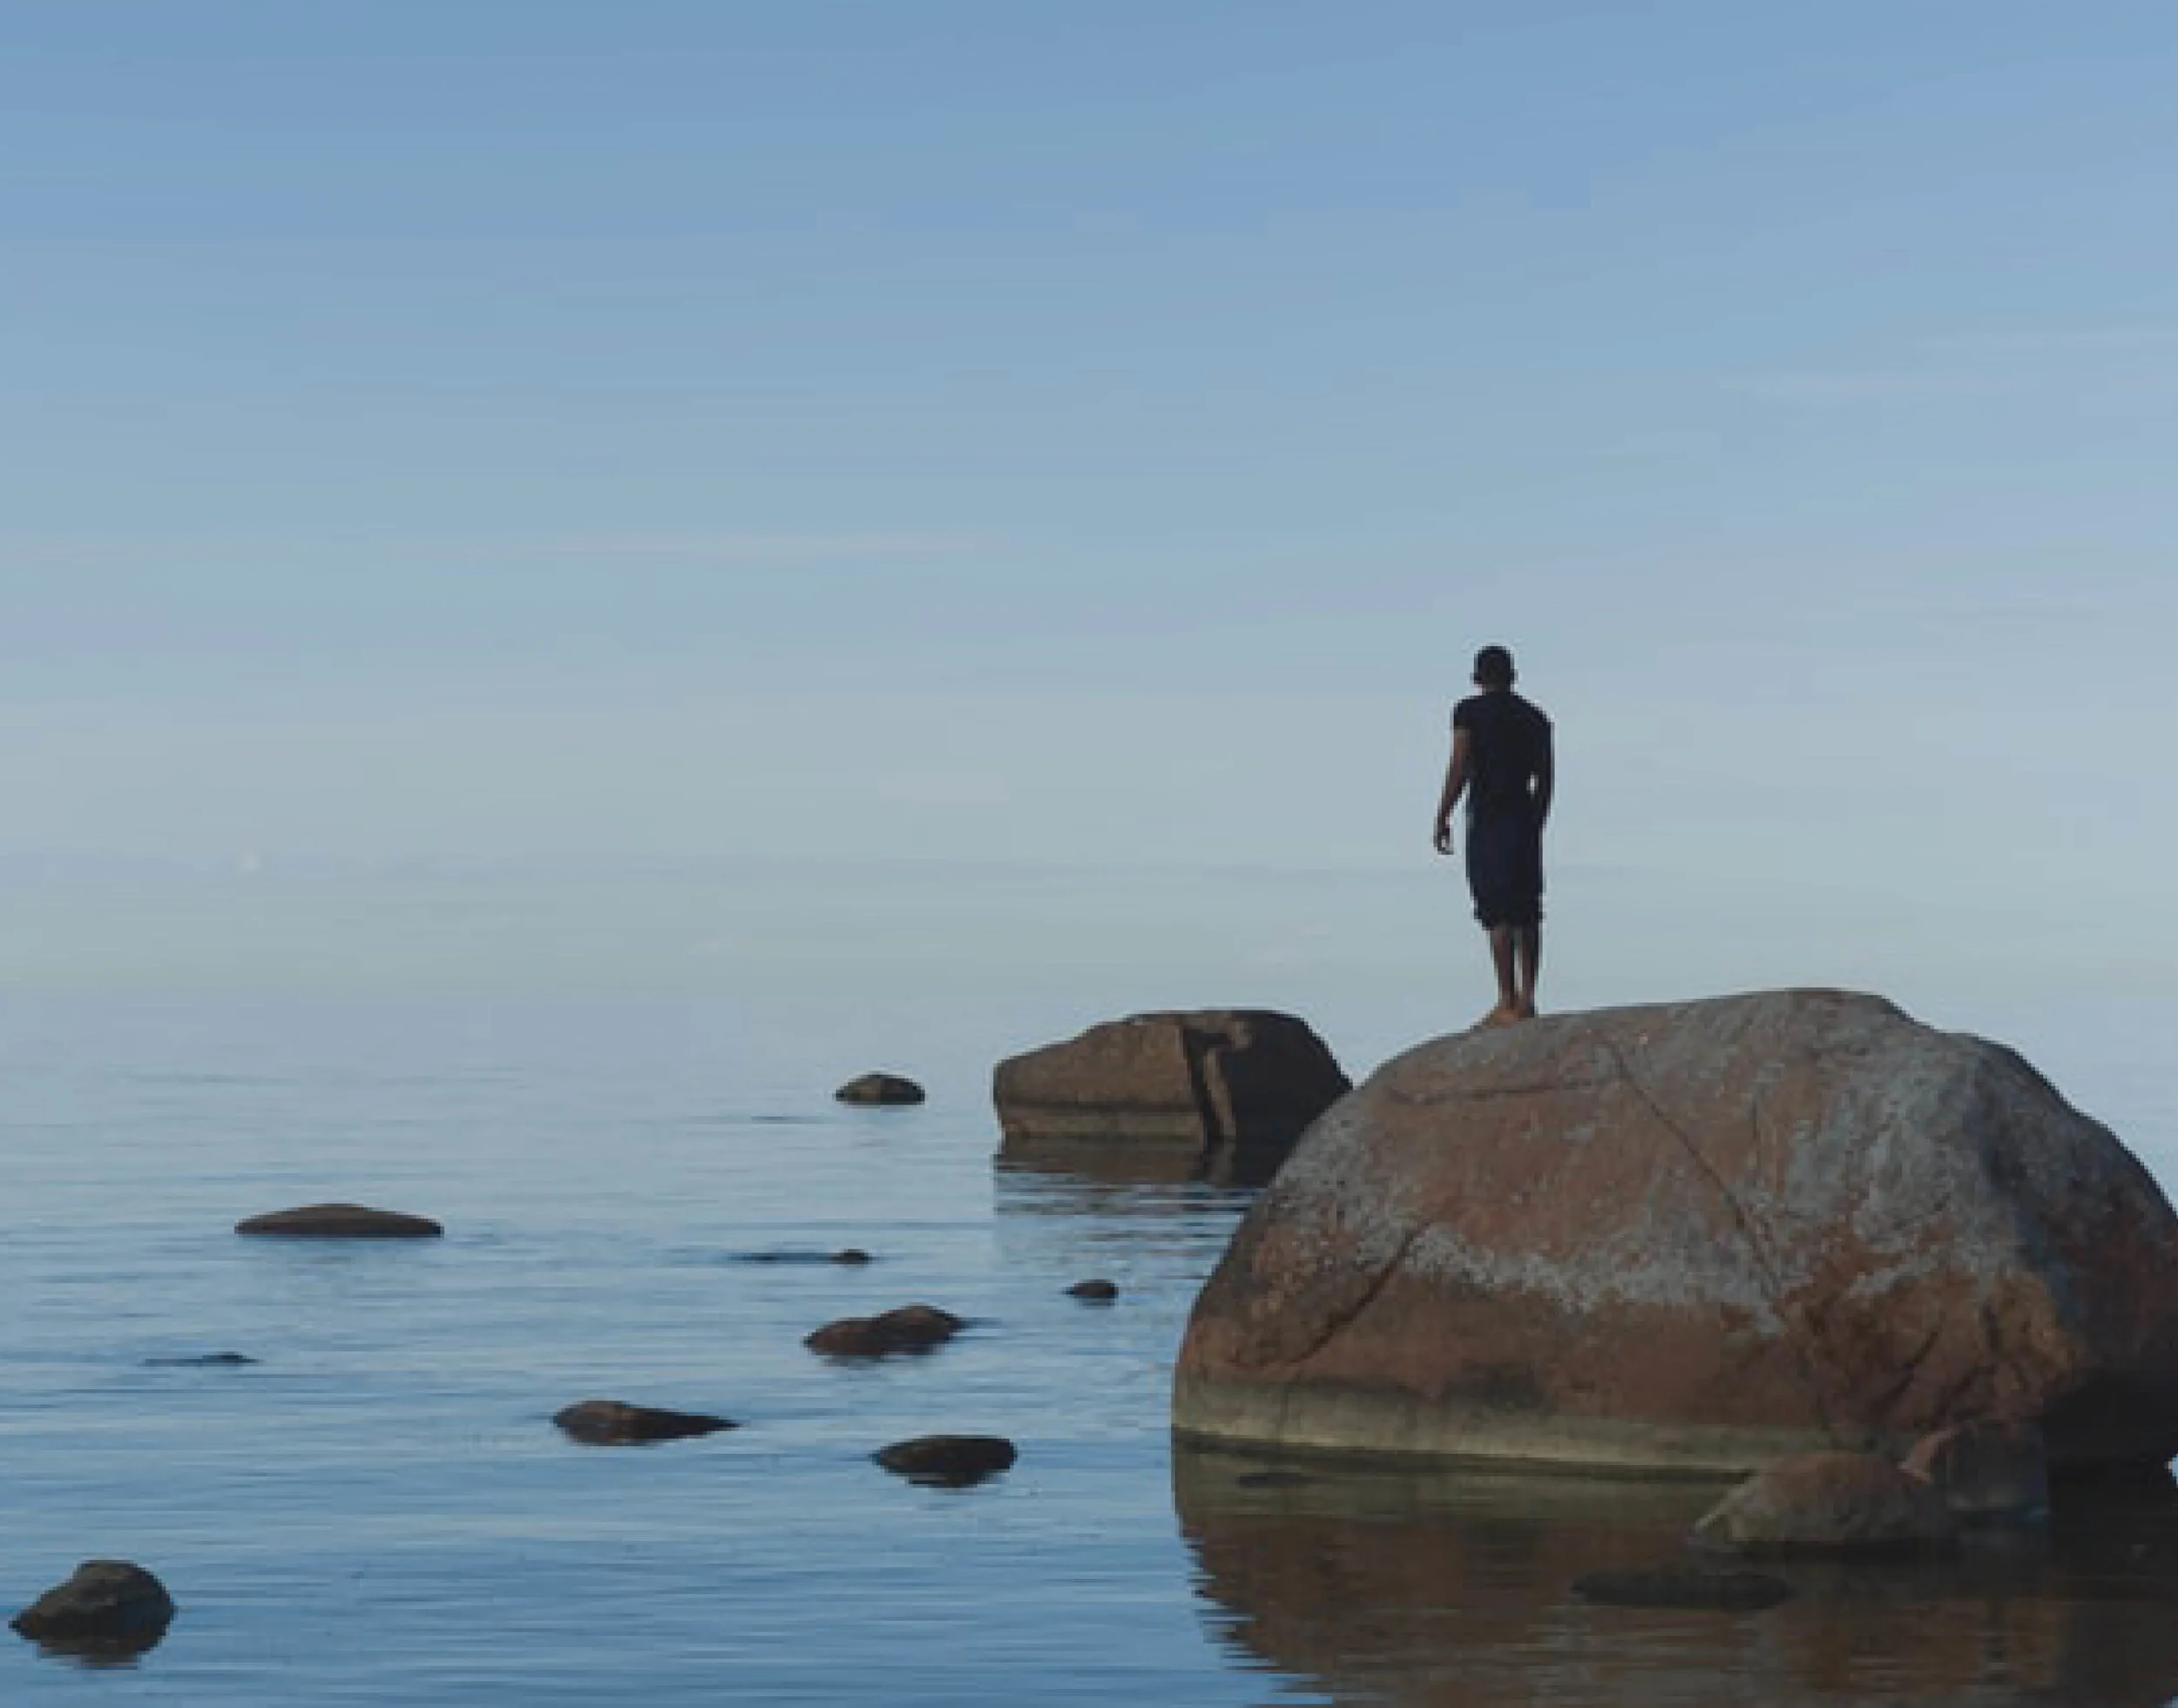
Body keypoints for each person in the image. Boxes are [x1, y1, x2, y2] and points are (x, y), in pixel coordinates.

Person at [1432, 644, 1553, 1027]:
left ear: (1477, 678)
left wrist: (1442, 814)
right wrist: (1537, 821)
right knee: (1527, 909)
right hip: (1523, 816)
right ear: (1513, 676)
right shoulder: (1535, 718)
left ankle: (1506, 998)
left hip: (1487, 816)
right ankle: (1529, 998)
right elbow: (1546, 779)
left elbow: (1460, 764)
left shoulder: (1469, 712)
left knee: (1496, 911)